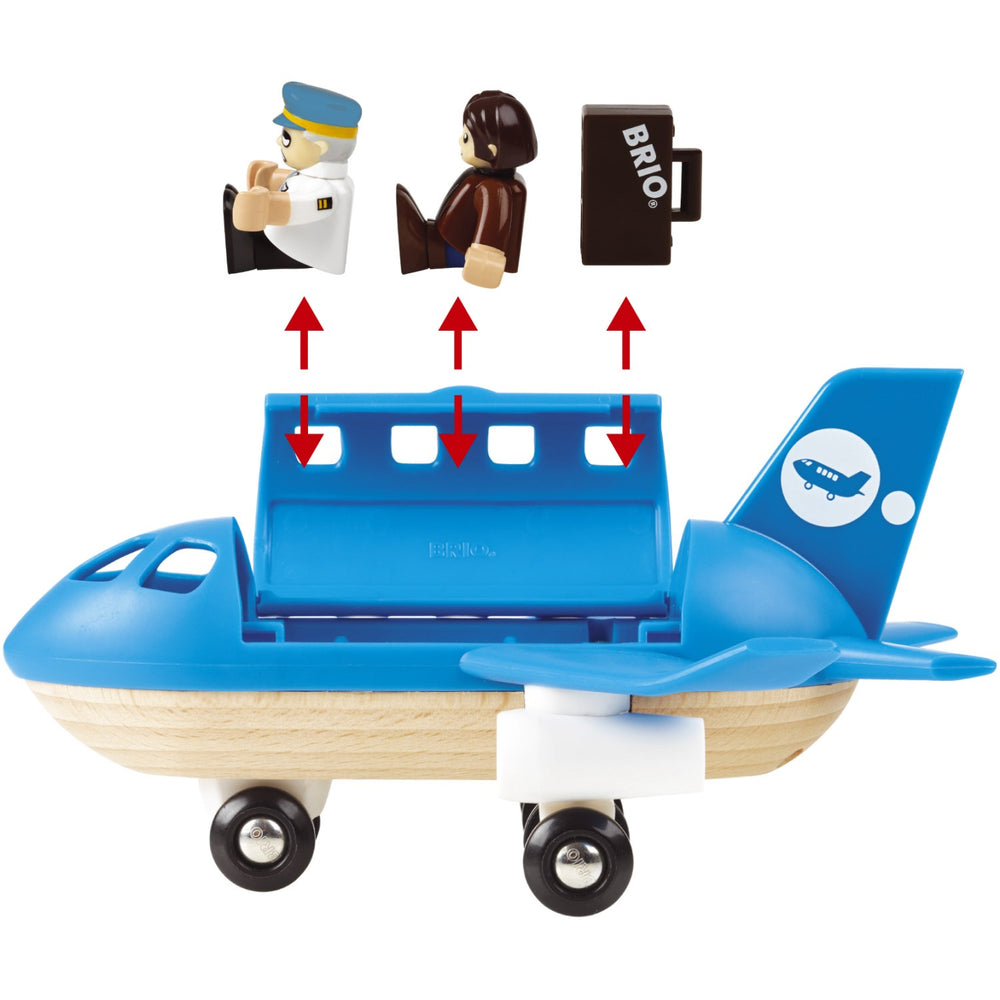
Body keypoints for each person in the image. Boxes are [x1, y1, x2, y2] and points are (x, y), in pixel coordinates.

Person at [396, 91, 537, 289]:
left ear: (491, 150)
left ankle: (423, 249)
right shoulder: (485, 179)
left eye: (466, 137)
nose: (459, 141)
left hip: (447, 250)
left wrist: (484, 261)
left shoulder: (494, 189)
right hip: (441, 239)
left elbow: (491, 236)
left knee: (402, 210)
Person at [223, 82, 361, 275]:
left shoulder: (327, 193)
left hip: (300, 256)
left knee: (240, 232)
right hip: (287, 244)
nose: (279, 141)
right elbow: (295, 184)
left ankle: (242, 255)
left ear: (320, 148)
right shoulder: (310, 175)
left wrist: (267, 205)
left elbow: (299, 207)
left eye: (287, 138)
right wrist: (271, 178)